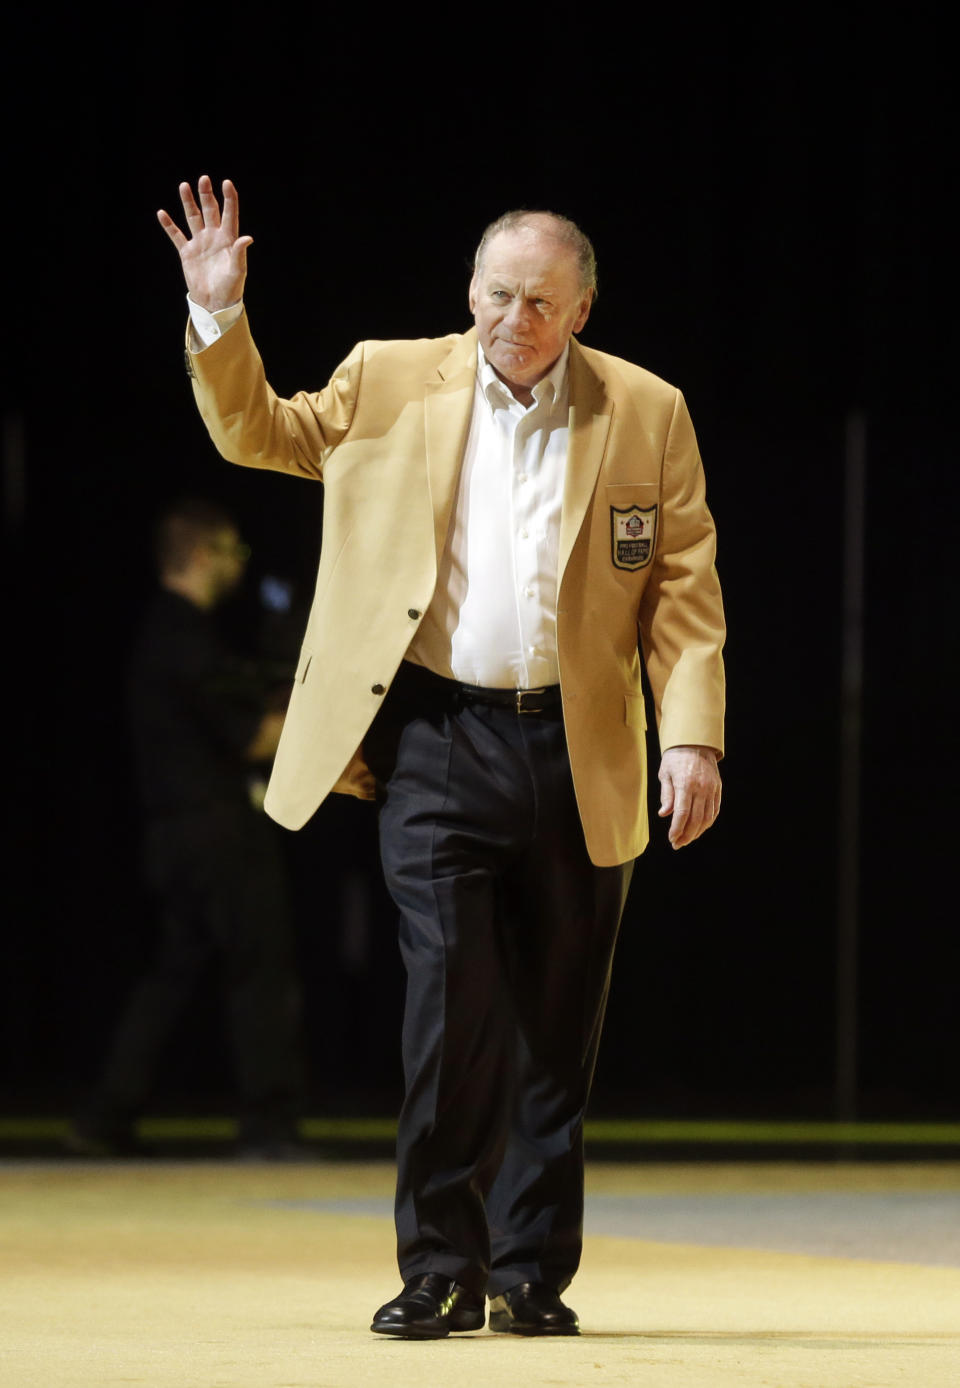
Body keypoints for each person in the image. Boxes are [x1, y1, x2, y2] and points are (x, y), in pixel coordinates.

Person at [158, 177, 725, 1334]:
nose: (513, 317)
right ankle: (437, 1264)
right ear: (470, 289)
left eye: (539, 301)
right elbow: (259, 430)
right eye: (497, 292)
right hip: (436, 737)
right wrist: (219, 318)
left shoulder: (648, 408)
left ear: (580, 311)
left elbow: (683, 589)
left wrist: (695, 735)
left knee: (557, 1025)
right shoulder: (386, 377)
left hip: (584, 742)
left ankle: (527, 1272)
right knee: (451, 1005)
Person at [68, 498, 308, 1159]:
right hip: (217, 831)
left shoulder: (162, 635)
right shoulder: (187, 641)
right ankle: (268, 1123)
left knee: (174, 973)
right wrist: (321, 704)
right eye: (233, 553)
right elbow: (256, 739)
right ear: (203, 555)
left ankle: (106, 1113)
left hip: (170, 834)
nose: (239, 566)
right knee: (259, 971)